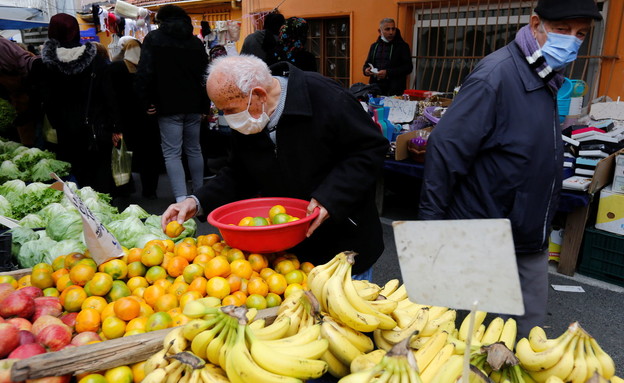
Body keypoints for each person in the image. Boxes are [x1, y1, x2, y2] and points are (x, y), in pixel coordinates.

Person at [417, 0, 601, 338]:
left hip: (528, 231)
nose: (573, 40)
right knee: (473, 340)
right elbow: (446, 148)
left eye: (581, 34)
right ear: (535, 25)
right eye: (563, 31)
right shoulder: (496, 75)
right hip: (485, 233)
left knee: (526, 337)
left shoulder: (545, 74)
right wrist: (431, 231)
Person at [161, 55, 389, 277]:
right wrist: (196, 201)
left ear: (259, 95)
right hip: (285, 253)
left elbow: (370, 149)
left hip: (343, 242)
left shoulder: (326, 97)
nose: (226, 117)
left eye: (229, 110)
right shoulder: (249, 117)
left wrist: (331, 197)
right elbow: (238, 173)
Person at [135, 4, 209, 203]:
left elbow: (145, 72)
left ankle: (181, 198)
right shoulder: (195, 42)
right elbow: (206, 75)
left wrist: (146, 101)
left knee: (172, 153)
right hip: (194, 104)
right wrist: (205, 105)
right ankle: (200, 193)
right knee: (195, 149)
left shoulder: (154, 39)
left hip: (166, 105)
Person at [35, 13, 113, 192]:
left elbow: (43, 100)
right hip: (94, 129)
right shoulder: (96, 61)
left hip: (62, 133)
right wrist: (115, 126)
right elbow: (109, 96)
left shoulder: (44, 65)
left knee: (70, 181)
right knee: (97, 181)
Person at [106, 38, 162, 199]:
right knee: (149, 157)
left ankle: (124, 189)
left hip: (125, 119)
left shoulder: (115, 68)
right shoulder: (150, 67)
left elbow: (112, 96)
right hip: (147, 120)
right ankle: (150, 191)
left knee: (123, 155)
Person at [363, 18, 413, 96]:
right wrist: (366, 70)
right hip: (375, 89)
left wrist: (388, 73)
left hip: (394, 91)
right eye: (387, 29)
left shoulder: (402, 46)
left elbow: (408, 67)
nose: (391, 32)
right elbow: (367, 64)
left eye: (393, 29)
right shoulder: (374, 46)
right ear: (380, 31)